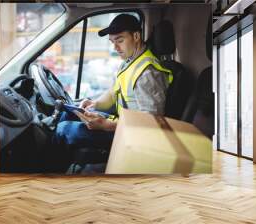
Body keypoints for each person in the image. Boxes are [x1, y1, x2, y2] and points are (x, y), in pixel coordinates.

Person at [53, 14, 173, 162]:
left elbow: (151, 123)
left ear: (136, 36)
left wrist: (106, 125)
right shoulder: (129, 62)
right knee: (67, 115)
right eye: (112, 42)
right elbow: (114, 92)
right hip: (122, 124)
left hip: (134, 138)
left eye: (120, 40)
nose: (115, 47)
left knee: (63, 130)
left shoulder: (147, 73)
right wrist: (94, 104)